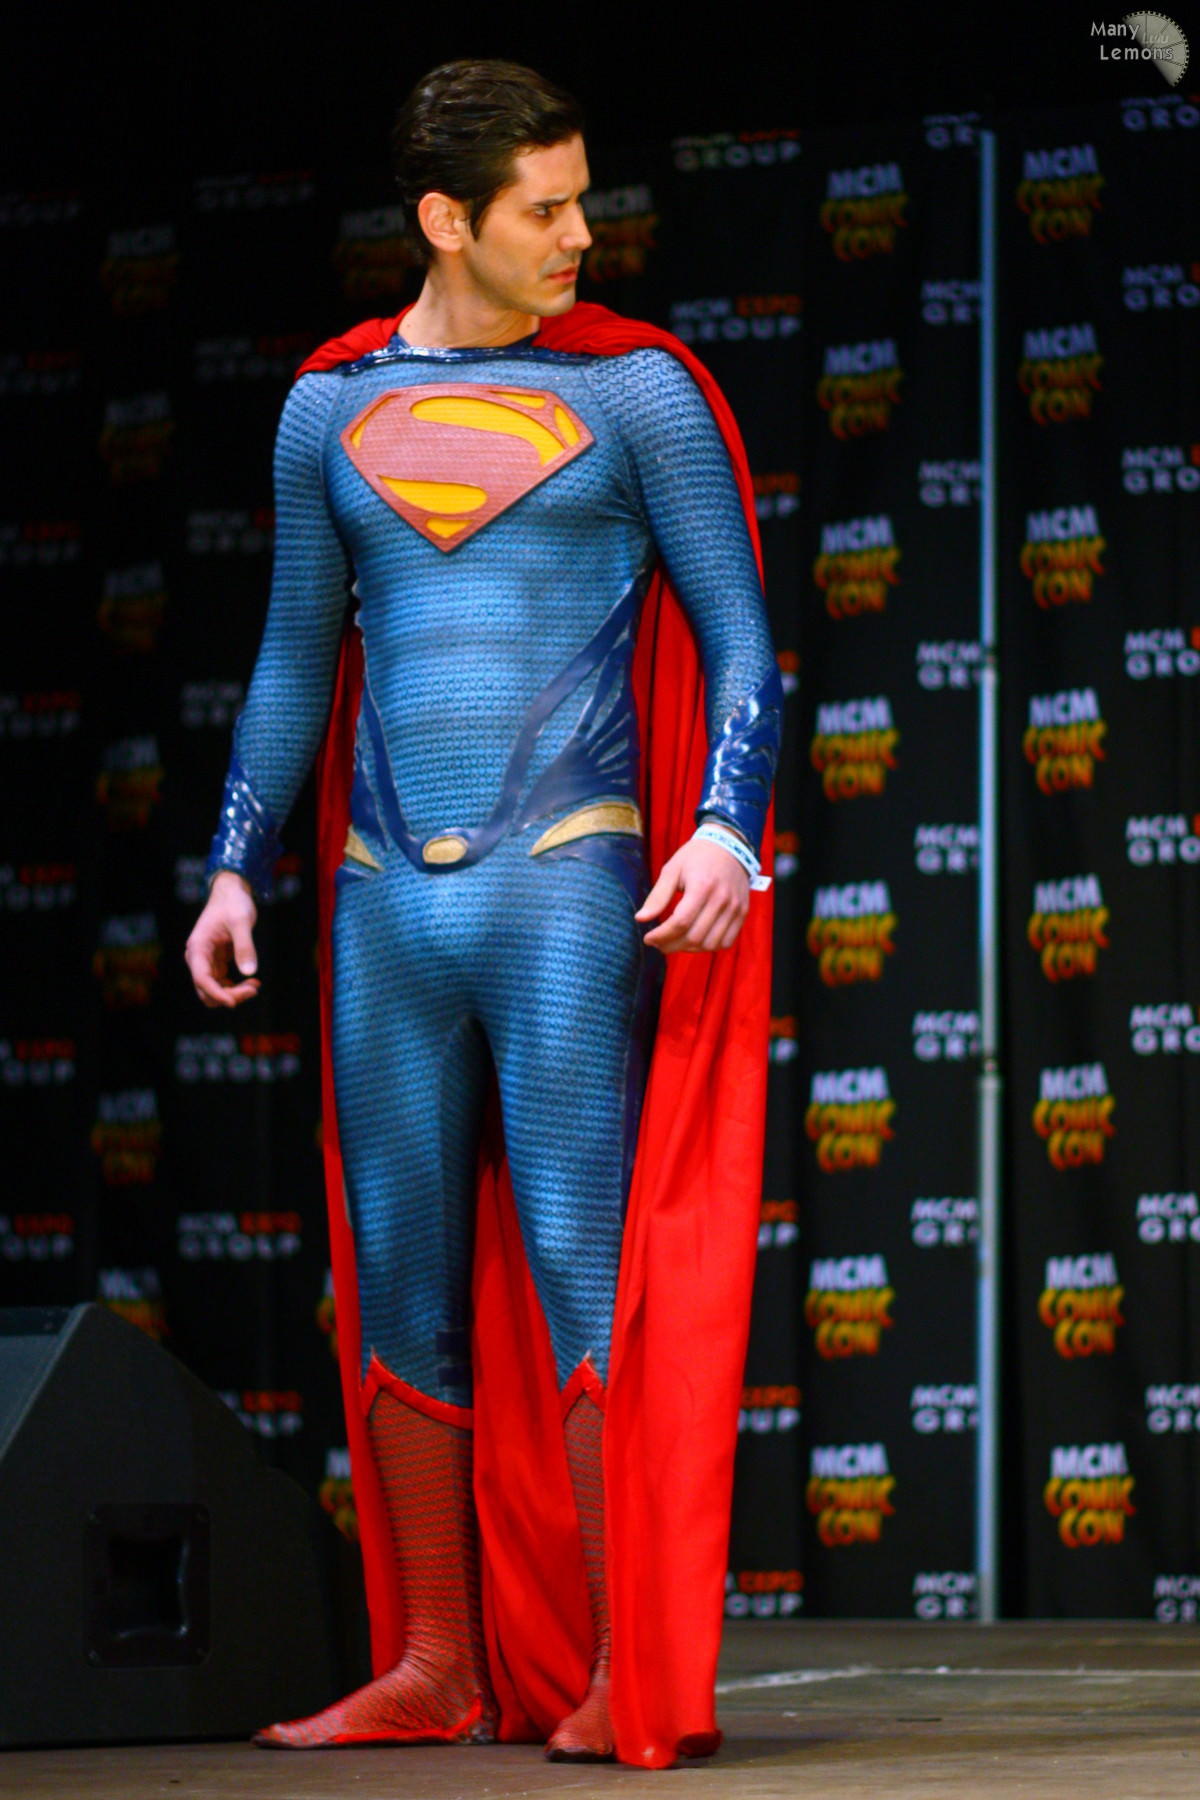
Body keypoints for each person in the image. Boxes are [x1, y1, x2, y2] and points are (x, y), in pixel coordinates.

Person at [186, 59, 781, 1767]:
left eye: (584, 200)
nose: (582, 235)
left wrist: (727, 829)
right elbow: (294, 656)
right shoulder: (326, 409)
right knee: (400, 1288)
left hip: (569, 882)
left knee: (585, 1274)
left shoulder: (640, 392)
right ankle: (436, 1662)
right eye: (546, 208)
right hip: (382, 900)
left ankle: (613, 1665)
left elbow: (741, 637)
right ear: (446, 218)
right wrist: (232, 863)